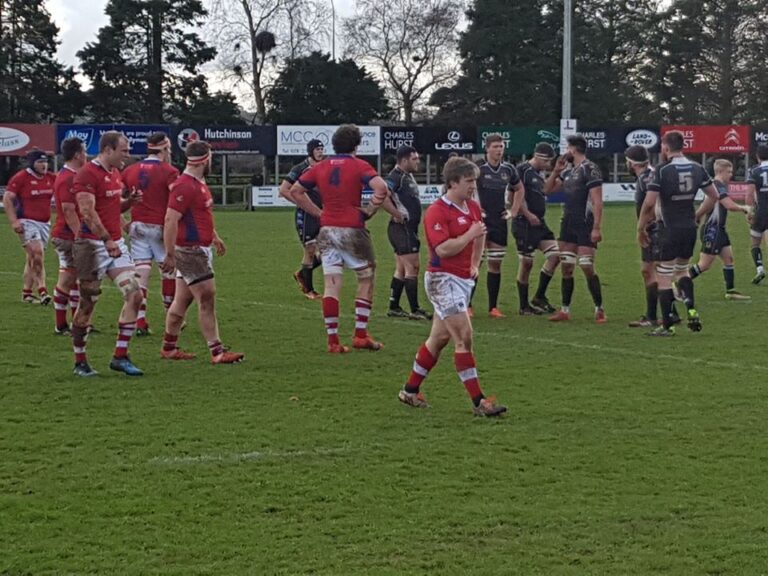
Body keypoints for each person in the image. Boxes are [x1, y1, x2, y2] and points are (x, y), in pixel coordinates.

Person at [397, 156, 507, 417]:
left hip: (461, 281)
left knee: (439, 339)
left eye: (475, 181)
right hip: (441, 279)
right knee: (464, 338)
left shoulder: (473, 207)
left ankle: (409, 391)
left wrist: (475, 262)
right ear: (453, 182)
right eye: (469, 182)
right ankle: (479, 402)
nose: (473, 186)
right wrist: (468, 235)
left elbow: (481, 232)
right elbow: (444, 249)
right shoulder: (437, 211)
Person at [288, 124, 403, 353]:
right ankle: (360, 334)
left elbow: (294, 191)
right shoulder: (359, 165)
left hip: (327, 230)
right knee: (366, 277)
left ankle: (333, 341)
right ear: (356, 145)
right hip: (352, 228)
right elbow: (381, 188)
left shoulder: (321, 167)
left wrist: (318, 213)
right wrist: (370, 210)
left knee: (332, 283)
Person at [160, 140, 244, 364]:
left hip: (199, 248)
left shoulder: (198, 183)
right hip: (191, 250)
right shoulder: (184, 185)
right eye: (212, 158)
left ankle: (169, 347)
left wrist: (214, 235)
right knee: (207, 297)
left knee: (181, 302)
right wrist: (170, 254)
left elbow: (199, 213)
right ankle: (217, 351)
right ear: (205, 160)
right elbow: (170, 219)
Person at [71, 131, 144, 377]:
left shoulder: (115, 174)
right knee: (88, 304)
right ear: (108, 150)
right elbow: (88, 213)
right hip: (91, 247)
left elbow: (110, 208)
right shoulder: (87, 175)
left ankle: (120, 356)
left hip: (115, 244)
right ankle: (80, 360)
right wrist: (107, 240)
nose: (128, 154)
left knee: (134, 295)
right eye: (124, 150)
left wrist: (129, 203)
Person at [637, 130, 720, 336]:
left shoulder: (663, 170)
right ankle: (691, 308)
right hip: (689, 228)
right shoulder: (697, 167)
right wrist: (698, 214)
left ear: (666, 147)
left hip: (670, 229)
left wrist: (640, 228)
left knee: (664, 276)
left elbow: (648, 204)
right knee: (682, 270)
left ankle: (667, 326)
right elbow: (714, 196)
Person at [122, 132, 180, 335]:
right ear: (164, 148)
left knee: (142, 273)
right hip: (161, 227)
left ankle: (140, 321)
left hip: (137, 225)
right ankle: (172, 317)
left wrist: (124, 223)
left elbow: (113, 201)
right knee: (169, 271)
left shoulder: (130, 170)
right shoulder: (169, 171)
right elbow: (177, 200)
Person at [547, 134, 607, 323]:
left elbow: (597, 201)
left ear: (573, 149)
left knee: (587, 266)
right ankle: (565, 310)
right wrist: (556, 172)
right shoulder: (569, 172)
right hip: (568, 224)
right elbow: (547, 190)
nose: (565, 152)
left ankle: (599, 308)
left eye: (567, 148)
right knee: (566, 267)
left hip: (585, 224)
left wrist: (596, 228)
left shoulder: (590, 169)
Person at [472, 133, 523, 317]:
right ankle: (468, 305)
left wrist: (514, 211)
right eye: (495, 147)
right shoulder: (477, 168)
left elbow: (519, 189)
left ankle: (493, 307)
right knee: (476, 262)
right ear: (487, 148)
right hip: (479, 220)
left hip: (499, 220)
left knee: (495, 263)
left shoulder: (508, 169)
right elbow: (466, 189)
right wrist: (475, 210)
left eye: (501, 147)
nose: (499, 150)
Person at [689, 159, 751, 299]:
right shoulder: (717, 185)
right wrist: (745, 208)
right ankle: (678, 285)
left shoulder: (715, 185)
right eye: (729, 172)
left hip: (719, 229)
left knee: (728, 258)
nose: (731, 175)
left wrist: (698, 215)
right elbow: (729, 205)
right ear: (720, 171)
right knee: (704, 265)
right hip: (713, 229)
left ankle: (730, 291)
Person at [510, 142, 561, 315]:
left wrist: (558, 175)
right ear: (539, 157)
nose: (548, 165)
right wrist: (526, 213)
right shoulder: (522, 170)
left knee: (555, 255)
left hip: (540, 223)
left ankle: (539, 296)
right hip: (524, 223)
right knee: (527, 263)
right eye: (547, 162)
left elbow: (546, 191)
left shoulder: (539, 174)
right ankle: (524, 306)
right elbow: (514, 194)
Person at [385, 145, 432, 320]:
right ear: (404, 160)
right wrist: (396, 214)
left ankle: (394, 306)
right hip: (401, 229)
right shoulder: (395, 176)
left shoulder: (407, 176)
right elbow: (382, 195)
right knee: (413, 268)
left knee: (402, 269)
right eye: (414, 159)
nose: (418, 161)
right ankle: (415, 309)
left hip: (407, 228)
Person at [3, 149, 56, 305]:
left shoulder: (51, 178)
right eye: (40, 162)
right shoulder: (21, 178)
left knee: (32, 258)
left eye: (45, 161)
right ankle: (43, 290)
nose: (44, 165)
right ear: (32, 163)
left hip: (45, 223)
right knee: (37, 253)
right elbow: (7, 198)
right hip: (26, 221)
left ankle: (27, 294)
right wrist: (14, 221)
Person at [279, 139, 325, 300]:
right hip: (306, 216)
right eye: (317, 149)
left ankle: (301, 274)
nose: (320, 152)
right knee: (310, 250)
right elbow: (284, 190)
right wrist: (302, 204)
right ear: (310, 151)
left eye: (322, 149)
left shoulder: (325, 167)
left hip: (322, 213)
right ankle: (309, 290)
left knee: (330, 250)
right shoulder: (300, 168)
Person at [51, 137, 87, 334]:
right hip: (67, 236)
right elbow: (68, 209)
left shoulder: (72, 175)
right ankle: (61, 325)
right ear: (77, 155)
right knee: (67, 278)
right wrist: (80, 236)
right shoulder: (67, 178)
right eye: (84, 151)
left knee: (75, 279)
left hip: (69, 235)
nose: (87, 155)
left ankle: (76, 322)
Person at [747, 144, 768, 284]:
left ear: (757, 156)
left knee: (755, 242)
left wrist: (749, 211)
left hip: (761, 210)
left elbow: (749, 194)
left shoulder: (754, 171)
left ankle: (760, 269)